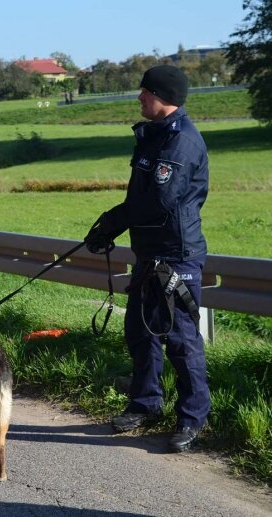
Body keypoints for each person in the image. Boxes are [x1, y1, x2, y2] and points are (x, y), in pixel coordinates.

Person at [84, 65, 211, 453]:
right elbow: (142, 198)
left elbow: (158, 200)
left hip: (176, 255)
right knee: (141, 333)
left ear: (164, 96)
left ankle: (192, 419)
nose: (139, 97)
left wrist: (112, 223)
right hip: (149, 253)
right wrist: (111, 224)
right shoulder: (153, 137)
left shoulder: (180, 144)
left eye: (145, 92)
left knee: (180, 339)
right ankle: (145, 404)